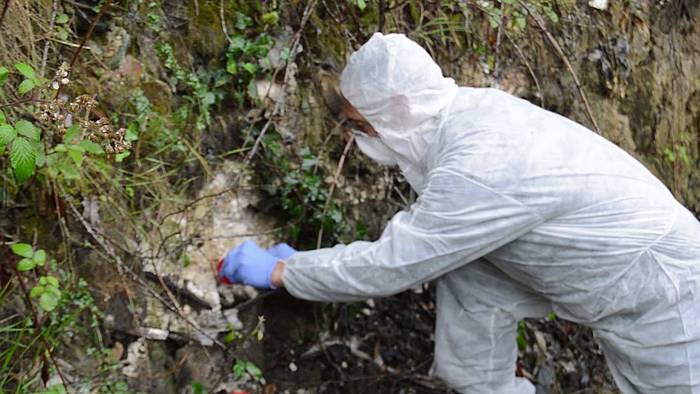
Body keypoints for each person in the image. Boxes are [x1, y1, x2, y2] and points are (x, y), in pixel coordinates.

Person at [218, 33, 700, 393]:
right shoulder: (464, 119)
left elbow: (394, 264)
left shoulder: (479, 165)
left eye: (359, 125)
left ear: (398, 110)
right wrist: (304, 267)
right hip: (586, 265)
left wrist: (285, 271)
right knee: (468, 286)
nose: (356, 137)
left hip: (662, 289)